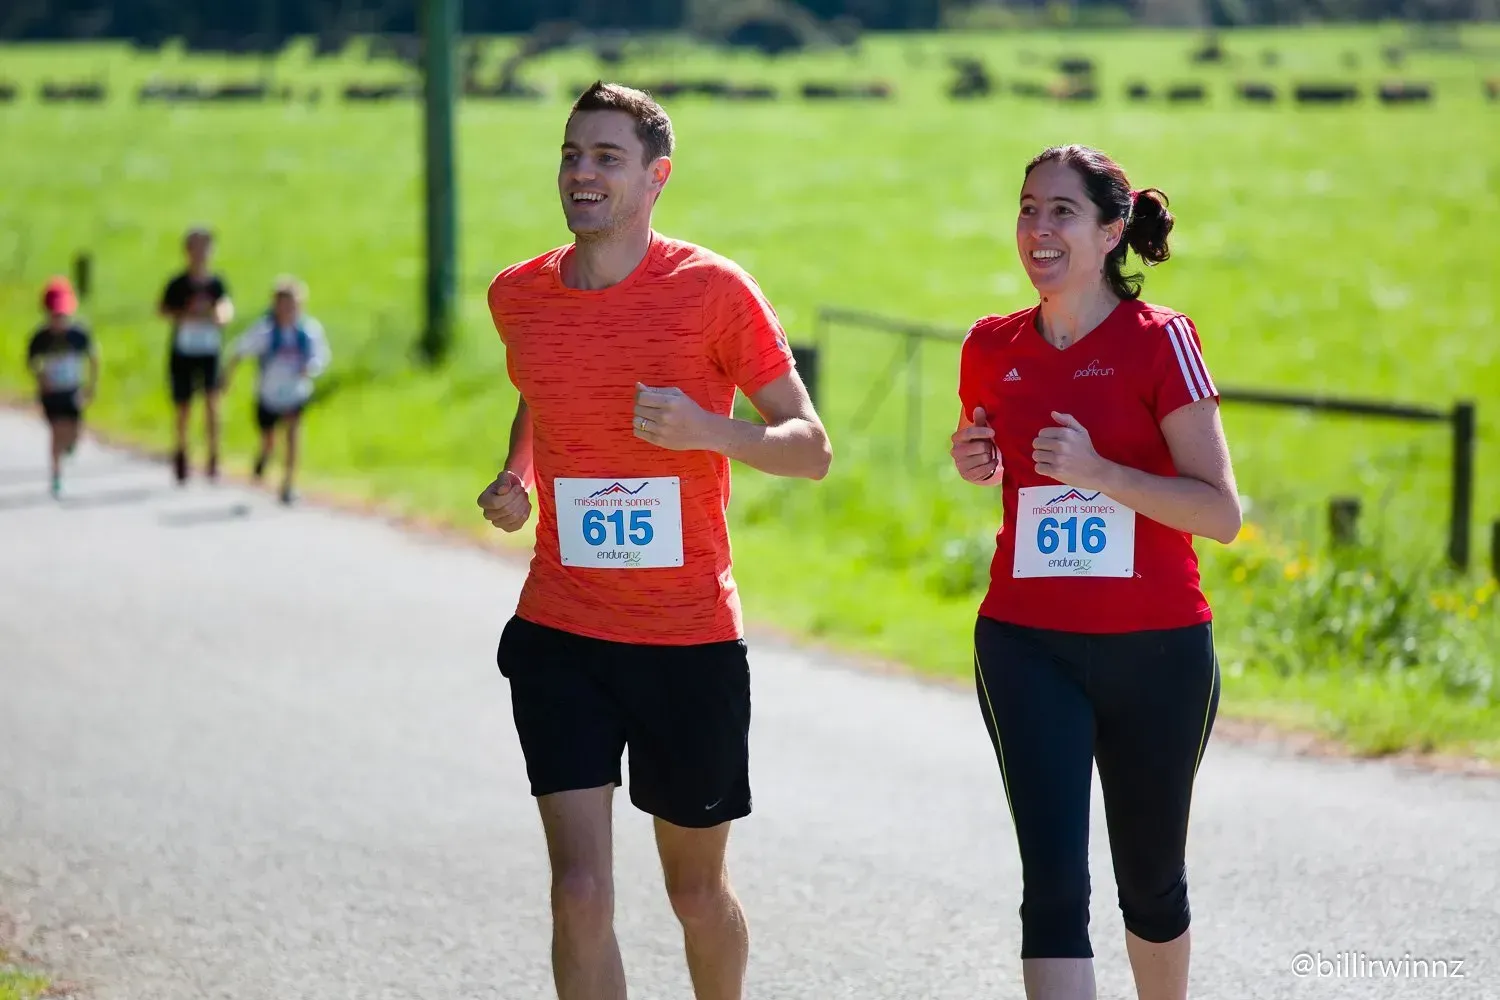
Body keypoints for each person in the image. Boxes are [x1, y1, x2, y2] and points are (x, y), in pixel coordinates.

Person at [477, 81, 831, 1000]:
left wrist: (710, 430)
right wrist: (519, 476)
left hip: (686, 641)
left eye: (607, 157)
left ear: (656, 177)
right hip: (561, 630)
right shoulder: (519, 296)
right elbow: (542, 391)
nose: (582, 173)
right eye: (571, 154)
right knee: (578, 892)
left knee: (695, 894)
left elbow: (810, 448)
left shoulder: (712, 292)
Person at [949, 144, 1242, 1000]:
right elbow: (991, 454)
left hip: (1158, 650)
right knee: (1052, 889)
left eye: (1063, 212)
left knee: (1150, 884)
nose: (1038, 229)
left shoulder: (1162, 342)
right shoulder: (989, 345)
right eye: (1028, 208)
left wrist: (1102, 473)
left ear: (1112, 232)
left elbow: (1220, 513)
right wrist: (975, 460)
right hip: (1026, 644)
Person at [219, 277, 331, 505]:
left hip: (295, 393)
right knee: (269, 439)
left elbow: (321, 356)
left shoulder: (308, 332)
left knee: (293, 437)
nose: (288, 309)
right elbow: (239, 351)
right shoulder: (265, 331)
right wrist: (227, 377)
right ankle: (264, 458)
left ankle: (288, 484)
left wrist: (310, 368)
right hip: (268, 394)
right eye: (283, 303)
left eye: (292, 304)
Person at [158, 226, 234, 485]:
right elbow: (163, 310)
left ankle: (214, 455)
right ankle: (182, 450)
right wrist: (187, 314)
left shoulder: (216, 284)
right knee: (183, 405)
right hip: (184, 349)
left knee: (212, 402)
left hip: (209, 349)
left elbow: (225, 308)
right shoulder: (178, 284)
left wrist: (219, 315)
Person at [26, 277, 99, 498]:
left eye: (62, 316)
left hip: (73, 389)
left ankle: (70, 445)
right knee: (56, 431)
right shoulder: (41, 338)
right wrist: (41, 379)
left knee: (74, 430)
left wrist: (91, 387)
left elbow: (94, 358)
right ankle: (56, 475)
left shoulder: (78, 335)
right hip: (52, 393)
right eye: (55, 316)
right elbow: (32, 362)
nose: (59, 322)